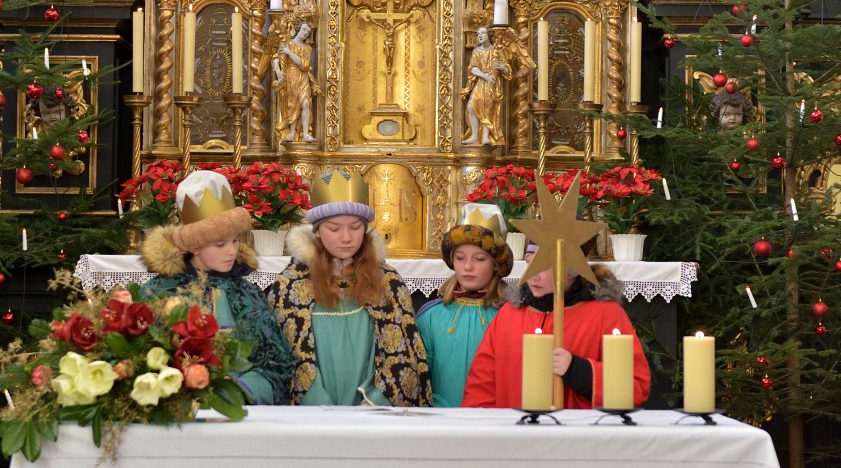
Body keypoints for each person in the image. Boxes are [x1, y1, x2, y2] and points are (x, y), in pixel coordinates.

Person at [266, 169, 431, 405]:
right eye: (334, 228)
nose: (346, 238)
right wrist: (315, 404)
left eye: (355, 227)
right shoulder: (291, 285)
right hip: (313, 413)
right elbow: (284, 354)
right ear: (318, 231)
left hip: (371, 412)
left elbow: (404, 352)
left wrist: (376, 400)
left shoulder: (387, 282)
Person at [141, 170, 295, 404]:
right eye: (220, 244)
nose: (231, 251)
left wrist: (238, 390)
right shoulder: (159, 293)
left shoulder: (246, 293)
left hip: (240, 409)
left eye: (235, 240)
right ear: (194, 245)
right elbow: (143, 358)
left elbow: (276, 363)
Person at [462, 241, 650, 409]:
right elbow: (481, 387)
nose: (532, 276)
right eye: (529, 263)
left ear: (571, 271)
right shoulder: (509, 314)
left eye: (543, 267)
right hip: (516, 433)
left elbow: (635, 387)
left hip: (578, 433)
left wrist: (578, 370)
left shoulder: (606, 315)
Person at [416, 204, 513, 406]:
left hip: (495, 418)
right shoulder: (431, 317)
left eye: (479, 259)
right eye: (460, 258)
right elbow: (420, 378)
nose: (468, 266)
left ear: (495, 265)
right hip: (441, 418)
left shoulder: (510, 316)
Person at [463, 24, 510, 145]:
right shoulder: (476, 51)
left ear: (489, 35)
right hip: (482, 82)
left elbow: (507, 70)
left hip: (492, 83)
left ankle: (485, 137)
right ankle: (474, 136)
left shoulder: (497, 51)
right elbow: (473, 68)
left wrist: (501, 67)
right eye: (478, 34)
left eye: (482, 33)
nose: (480, 36)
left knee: (488, 108)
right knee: (471, 106)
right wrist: (484, 76)